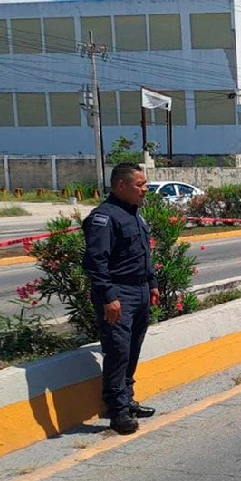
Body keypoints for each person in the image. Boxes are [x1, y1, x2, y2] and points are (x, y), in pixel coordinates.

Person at [82, 163, 160, 434]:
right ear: (121, 186)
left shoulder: (134, 215)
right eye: (140, 185)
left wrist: (151, 283)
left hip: (138, 291)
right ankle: (117, 411)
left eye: (145, 184)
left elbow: (143, 254)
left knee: (132, 349)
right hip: (118, 294)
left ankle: (127, 400)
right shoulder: (103, 218)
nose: (145, 189)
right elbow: (96, 262)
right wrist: (108, 297)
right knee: (118, 350)